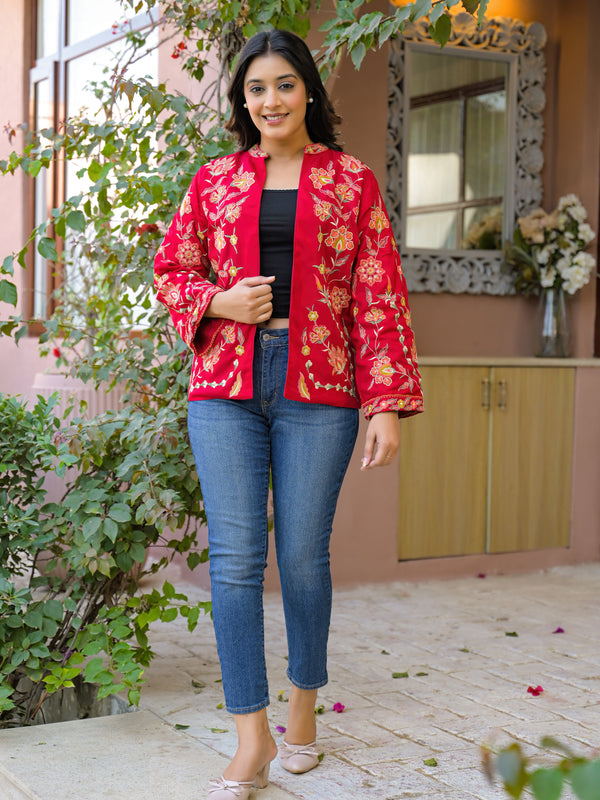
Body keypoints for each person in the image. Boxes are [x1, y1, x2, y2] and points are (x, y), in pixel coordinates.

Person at [154, 28, 423, 800]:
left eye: (284, 85)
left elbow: (378, 295)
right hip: (225, 387)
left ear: (309, 90)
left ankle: (303, 709)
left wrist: (386, 405)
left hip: (321, 389)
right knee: (235, 561)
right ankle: (251, 738)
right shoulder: (214, 181)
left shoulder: (352, 182)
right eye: (256, 89)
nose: (270, 100)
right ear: (242, 102)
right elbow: (173, 270)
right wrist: (218, 300)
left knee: (303, 557)